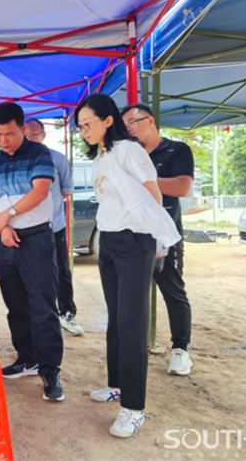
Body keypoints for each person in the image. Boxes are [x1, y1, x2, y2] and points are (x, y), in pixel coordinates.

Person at [76, 94, 181, 437]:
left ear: (108, 120)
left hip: (135, 242)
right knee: (116, 318)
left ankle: (134, 408)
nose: (84, 131)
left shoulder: (129, 150)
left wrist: (159, 240)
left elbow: (154, 194)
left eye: (88, 124)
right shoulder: (102, 156)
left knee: (132, 323)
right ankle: (117, 385)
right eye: (80, 126)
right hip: (109, 241)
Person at [0, 103, 65, 402]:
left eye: (9, 134)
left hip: (36, 238)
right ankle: (26, 358)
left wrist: (8, 215)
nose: (3, 140)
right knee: (15, 304)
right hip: (4, 240)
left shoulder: (39, 153)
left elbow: (40, 191)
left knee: (43, 305)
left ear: (23, 129)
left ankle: (49, 369)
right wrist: (2, 226)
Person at [122, 103, 195, 376]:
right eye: (125, 126)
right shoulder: (129, 152)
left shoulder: (177, 150)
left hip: (164, 234)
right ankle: (133, 349)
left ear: (150, 120)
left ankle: (181, 350)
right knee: (130, 296)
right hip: (131, 234)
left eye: (133, 122)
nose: (129, 129)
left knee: (173, 290)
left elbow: (182, 187)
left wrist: (144, 180)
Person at [24, 118, 82, 336]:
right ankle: (34, 315)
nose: (29, 138)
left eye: (33, 134)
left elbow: (66, 191)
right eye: (25, 134)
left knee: (61, 270)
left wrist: (48, 209)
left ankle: (67, 313)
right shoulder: (18, 160)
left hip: (54, 227)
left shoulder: (58, 159)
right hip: (27, 229)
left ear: (43, 135)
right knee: (30, 273)